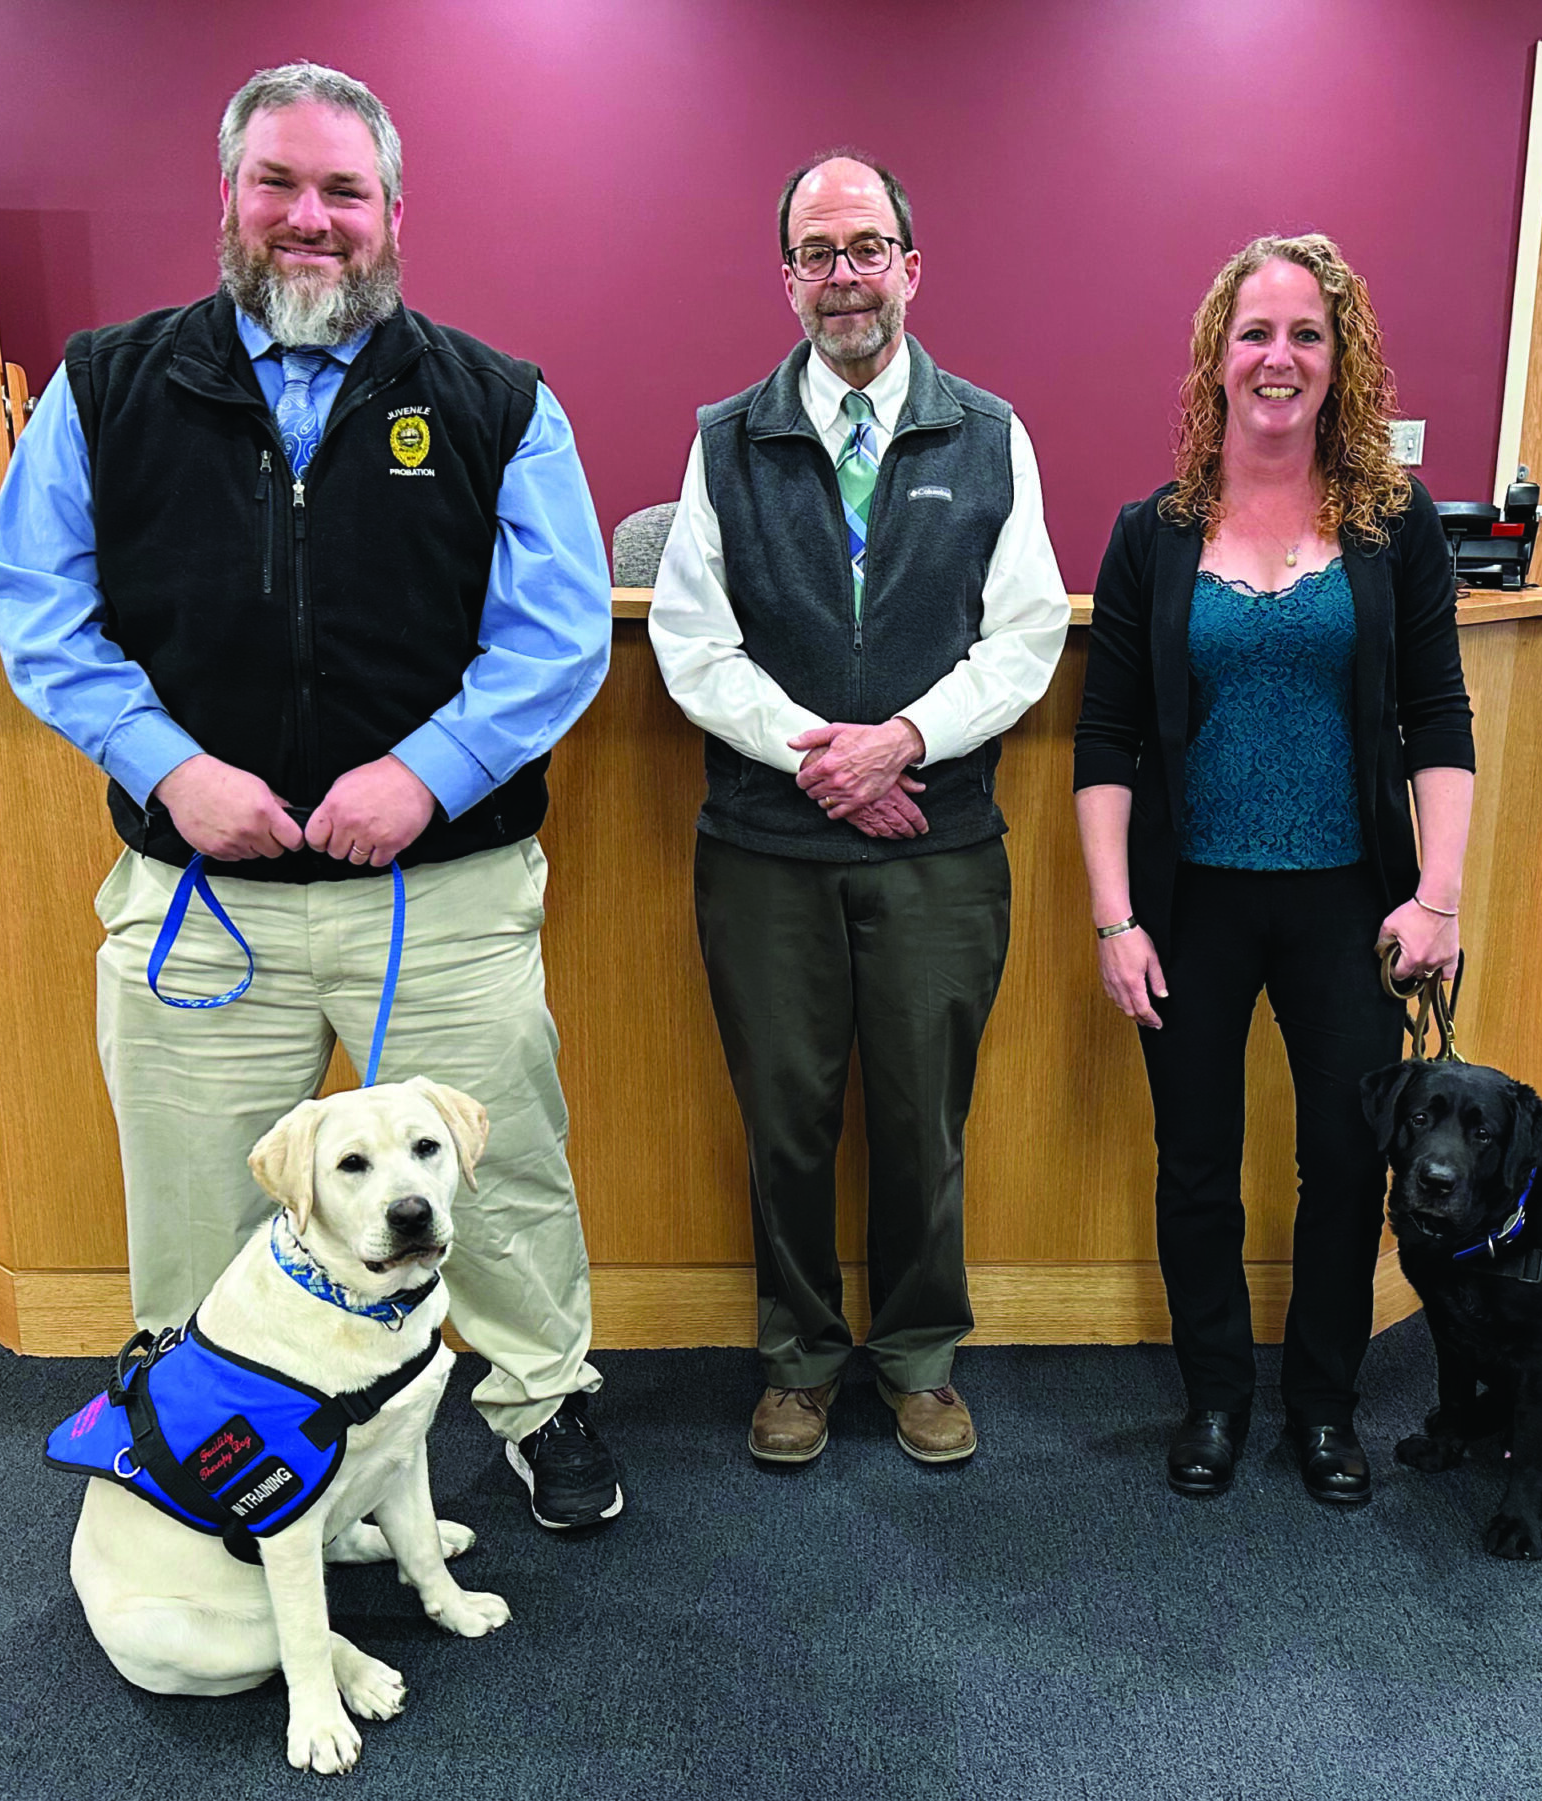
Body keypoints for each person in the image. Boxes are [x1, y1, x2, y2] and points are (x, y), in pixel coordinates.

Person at [0, 62, 624, 1533]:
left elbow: (558, 631)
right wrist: (169, 767)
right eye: (280, 183)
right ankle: (203, 1434)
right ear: (231, 198)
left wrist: (428, 773)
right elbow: (40, 610)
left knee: (498, 1172)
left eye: (344, 190)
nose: (310, 218)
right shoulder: (108, 386)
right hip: (204, 907)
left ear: (393, 212)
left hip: (440, 895)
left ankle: (539, 1402)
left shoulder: (493, 400)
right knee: (206, 1196)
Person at [649, 152, 1069, 1467]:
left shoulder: (991, 433)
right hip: (765, 856)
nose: (846, 275)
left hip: (940, 856)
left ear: (910, 266)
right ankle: (798, 1359)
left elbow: (1025, 636)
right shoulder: (727, 437)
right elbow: (692, 644)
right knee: (784, 1118)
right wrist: (819, 760)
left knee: (922, 1121)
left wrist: (901, 744)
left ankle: (919, 1355)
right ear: (788, 279)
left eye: (867, 247)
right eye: (819, 253)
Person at [1072, 233, 1474, 1507]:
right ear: (1217, 356)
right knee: (1193, 1160)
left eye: (1306, 334)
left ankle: (1319, 1406)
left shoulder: (1392, 530)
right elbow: (1107, 738)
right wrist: (1111, 916)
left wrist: (1438, 893)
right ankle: (1211, 1401)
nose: (1278, 357)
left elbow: (1436, 717)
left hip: (1348, 903)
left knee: (1345, 1167)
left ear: (1337, 360)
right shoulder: (1152, 534)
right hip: (1189, 901)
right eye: (1255, 333)